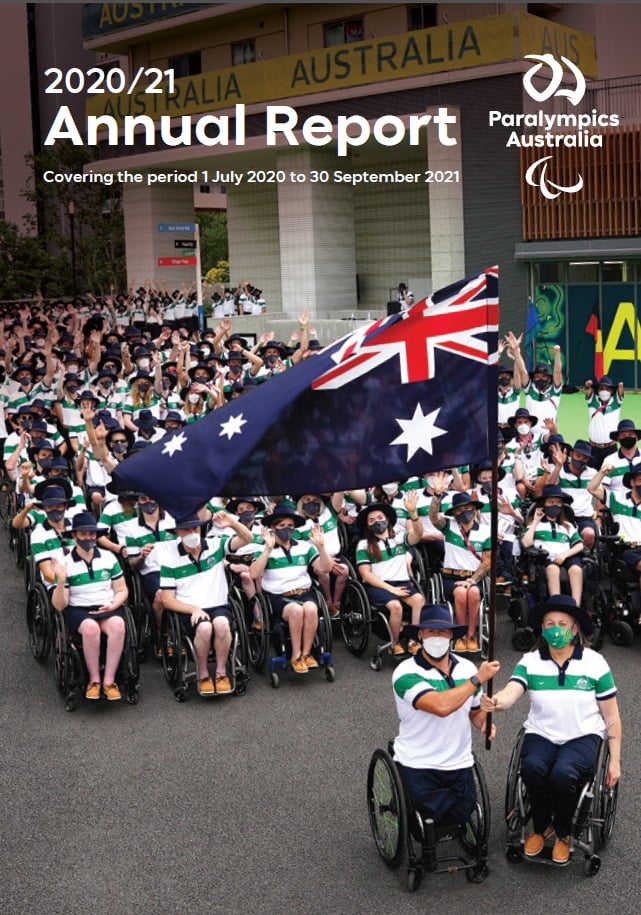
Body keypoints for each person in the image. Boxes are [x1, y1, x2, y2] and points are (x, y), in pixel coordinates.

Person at [481, 595, 621, 865]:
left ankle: (564, 833)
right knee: (532, 769)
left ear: (575, 629)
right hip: (541, 733)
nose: (555, 629)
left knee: (562, 774)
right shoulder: (531, 661)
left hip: (582, 735)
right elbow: (512, 691)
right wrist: (496, 702)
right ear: (542, 629)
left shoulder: (594, 663)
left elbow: (612, 715)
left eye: (562, 623)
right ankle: (541, 826)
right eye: (549, 623)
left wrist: (614, 760)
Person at [392, 603, 499, 826]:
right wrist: (478, 679)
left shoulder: (468, 668)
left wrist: (484, 723)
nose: (437, 637)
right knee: (426, 822)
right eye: (431, 632)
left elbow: (475, 711)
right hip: (419, 763)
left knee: (461, 815)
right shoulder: (405, 673)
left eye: (442, 632)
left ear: (451, 635)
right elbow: (441, 707)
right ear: (420, 635)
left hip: (458, 761)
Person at [160, 511, 252, 696]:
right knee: (204, 629)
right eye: (185, 530)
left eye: (195, 527)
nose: (192, 533)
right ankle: (202, 673)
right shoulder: (170, 558)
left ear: (201, 527)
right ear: (178, 533)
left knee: (221, 624)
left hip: (218, 605)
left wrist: (232, 523)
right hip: (189, 610)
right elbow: (166, 599)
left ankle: (221, 672)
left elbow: (247, 538)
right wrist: (193, 609)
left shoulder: (216, 545)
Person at [50, 511, 129, 701]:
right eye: (84, 534)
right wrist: (61, 581)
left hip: (107, 607)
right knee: (92, 629)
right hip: (79, 610)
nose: (88, 538)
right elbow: (59, 605)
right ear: (75, 535)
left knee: (119, 625)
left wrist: (113, 605)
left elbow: (122, 590)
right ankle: (94, 680)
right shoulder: (65, 563)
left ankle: (109, 681)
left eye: (92, 534)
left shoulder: (109, 558)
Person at [250, 504, 333, 674]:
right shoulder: (263, 549)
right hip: (279, 597)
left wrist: (321, 547)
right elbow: (254, 574)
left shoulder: (304, 546)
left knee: (311, 609)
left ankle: (306, 654)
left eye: (290, 526)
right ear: (273, 528)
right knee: (296, 611)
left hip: (304, 592)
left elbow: (325, 568)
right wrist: (268, 549)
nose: (286, 530)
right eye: (281, 526)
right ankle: (295, 656)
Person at [355, 493, 425, 656]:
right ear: (367, 525)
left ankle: (414, 640)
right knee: (396, 606)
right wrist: (390, 590)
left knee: (419, 600)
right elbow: (366, 574)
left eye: (380, 517)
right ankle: (394, 642)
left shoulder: (400, 538)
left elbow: (418, 534)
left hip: (402, 581)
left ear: (387, 519)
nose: (377, 522)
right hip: (378, 585)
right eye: (371, 520)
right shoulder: (364, 545)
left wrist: (413, 514)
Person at [521, 484, 584, 606]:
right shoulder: (535, 526)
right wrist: (535, 521)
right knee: (553, 569)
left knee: (576, 569)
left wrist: (565, 555)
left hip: (566, 556)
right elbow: (526, 543)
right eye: (551, 502)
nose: (555, 505)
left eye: (558, 503)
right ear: (544, 504)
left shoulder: (567, 526)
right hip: (545, 559)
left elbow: (580, 545)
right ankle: (556, 605)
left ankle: (576, 605)